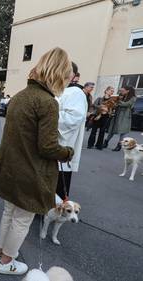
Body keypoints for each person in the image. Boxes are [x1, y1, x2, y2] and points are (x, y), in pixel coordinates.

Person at [0, 47, 74, 275]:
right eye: (67, 74)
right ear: (58, 73)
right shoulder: (48, 102)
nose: (69, 79)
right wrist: (67, 152)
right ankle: (6, 262)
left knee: (9, 213)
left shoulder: (19, 96)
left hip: (10, 168)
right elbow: (47, 147)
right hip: (29, 171)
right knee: (22, 219)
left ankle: (0, 252)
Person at [55, 62, 88, 200]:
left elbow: (73, 118)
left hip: (62, 145)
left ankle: (54, 210)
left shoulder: (75, 92)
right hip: (52, 146)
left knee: (57, 183)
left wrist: (47, 114)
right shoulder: (60, 90)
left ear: (72, 74)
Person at [104, 86, 137, 151]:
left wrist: (117, 100)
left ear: (128, 91)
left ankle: (119, 146)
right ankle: (106, 142)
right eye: (121, 91)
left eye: (123, 91)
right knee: (112, 129)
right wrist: (113, 103)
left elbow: (127, 104)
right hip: (117, 115)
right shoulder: (121, 96)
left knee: (123, 132)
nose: (121, 92)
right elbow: (116, 105)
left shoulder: (133, 98)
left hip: (125, 117)